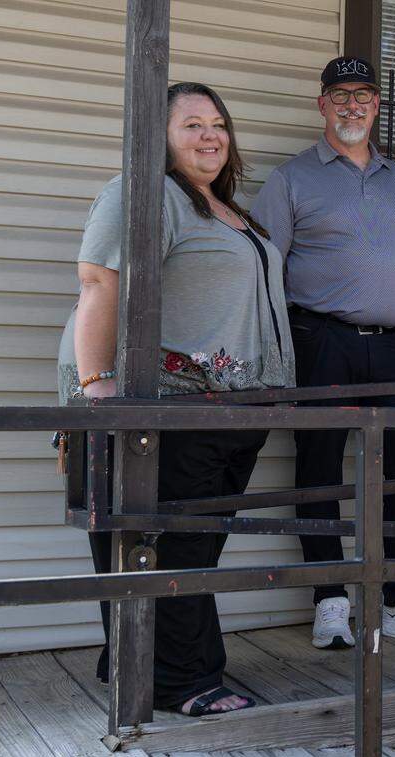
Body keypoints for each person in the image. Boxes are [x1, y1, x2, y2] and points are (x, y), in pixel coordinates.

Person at [56, 82, 295, 714]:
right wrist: (96, 387)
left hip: (228, 412)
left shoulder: (222, 208)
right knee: (169, 546)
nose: (210, 135)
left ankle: (132, 660)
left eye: (218, 122)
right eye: (191, 124)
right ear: (155, 136)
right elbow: (97, 278)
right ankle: (182, 682)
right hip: (165, 408)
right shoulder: (145, 193)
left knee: (193, 548)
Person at [250, 56, 395, 648]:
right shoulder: (292, 178)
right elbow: (263, 269)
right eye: (339, 95)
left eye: (363, 94)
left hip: (393, 345)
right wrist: (277, 348)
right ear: (322, 104)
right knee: (318, 467)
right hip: (319, 340)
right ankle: (331, 599)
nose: (351, 105)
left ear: (376, 105)